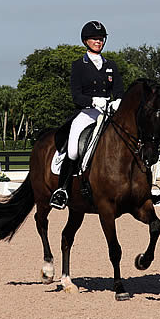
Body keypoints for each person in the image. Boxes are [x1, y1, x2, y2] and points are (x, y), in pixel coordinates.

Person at [49, 20, 124, 210]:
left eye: (101, 39)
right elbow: (76, 96)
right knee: (73, 149)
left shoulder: (111, 65)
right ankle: (62, 190)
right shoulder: (79, 65)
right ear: (85, 41)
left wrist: (119, 101)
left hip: (109, 112)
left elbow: (119, 90)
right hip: (87, 112)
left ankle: (144, 186)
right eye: (94, 39)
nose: (98, 41)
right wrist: (92, 101)